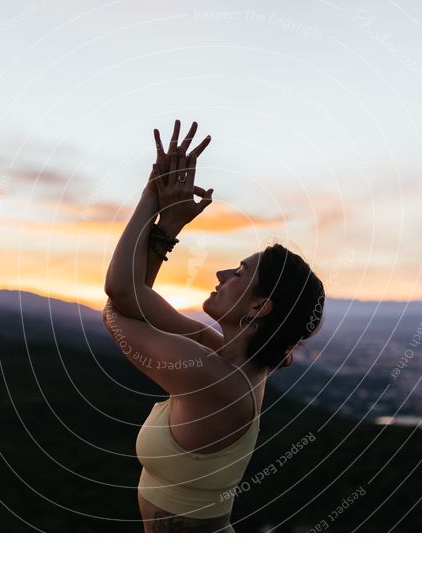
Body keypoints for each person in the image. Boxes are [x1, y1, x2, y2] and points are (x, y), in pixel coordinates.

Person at [103, 120, 325, 532]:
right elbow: (130, 300)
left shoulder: (211, 377)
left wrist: (153, 197)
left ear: (259, 307)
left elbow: (116, 302)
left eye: (239, 272)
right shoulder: (221, 355)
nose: (222, 273)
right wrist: (167, 231)